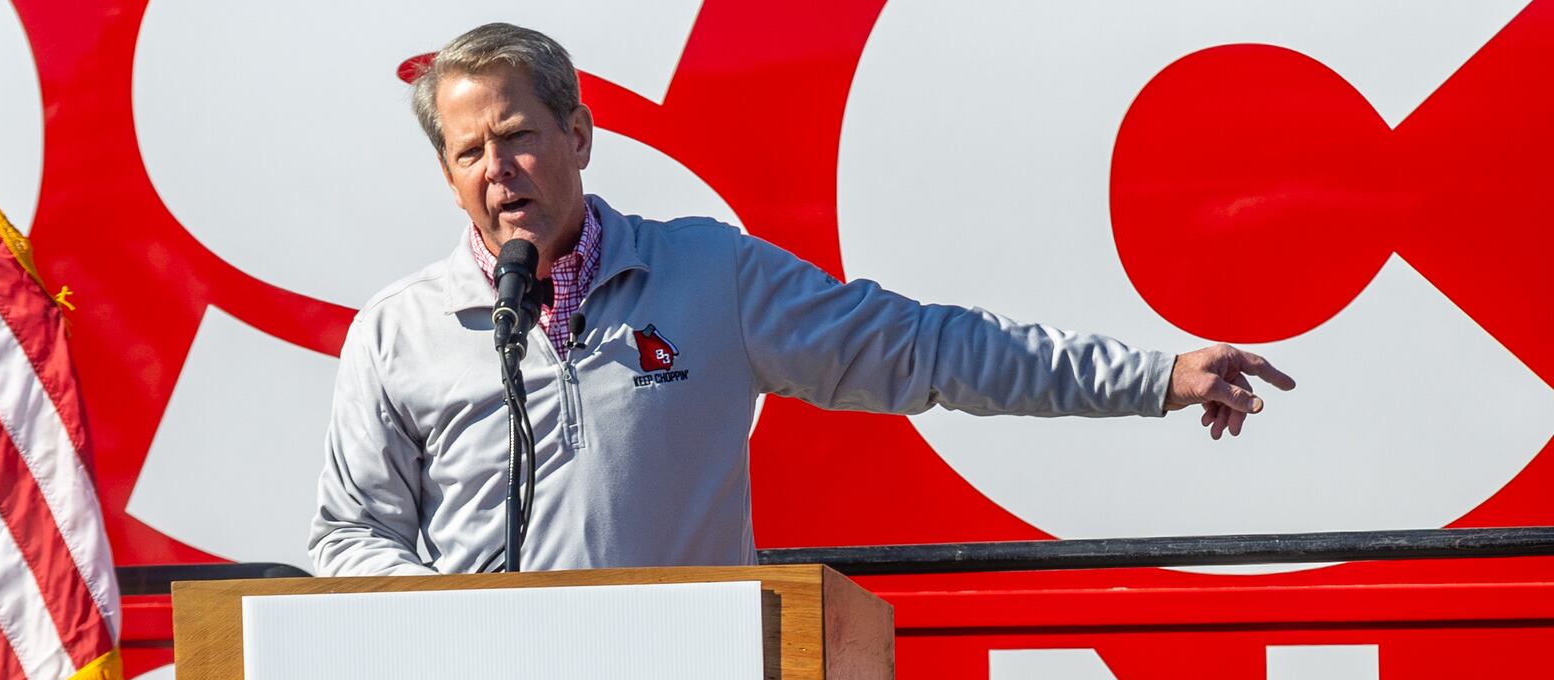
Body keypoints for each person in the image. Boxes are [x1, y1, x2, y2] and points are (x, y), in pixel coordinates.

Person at [308, 22, 1295, 577]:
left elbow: (920, 347)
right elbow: (348, 536)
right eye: (468, 152)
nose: (497, 167)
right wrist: (445, 619)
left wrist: (1154, 376)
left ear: (579, 134)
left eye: (517, 134)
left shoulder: (709, 275)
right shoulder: (399, 332)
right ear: (447, 177)